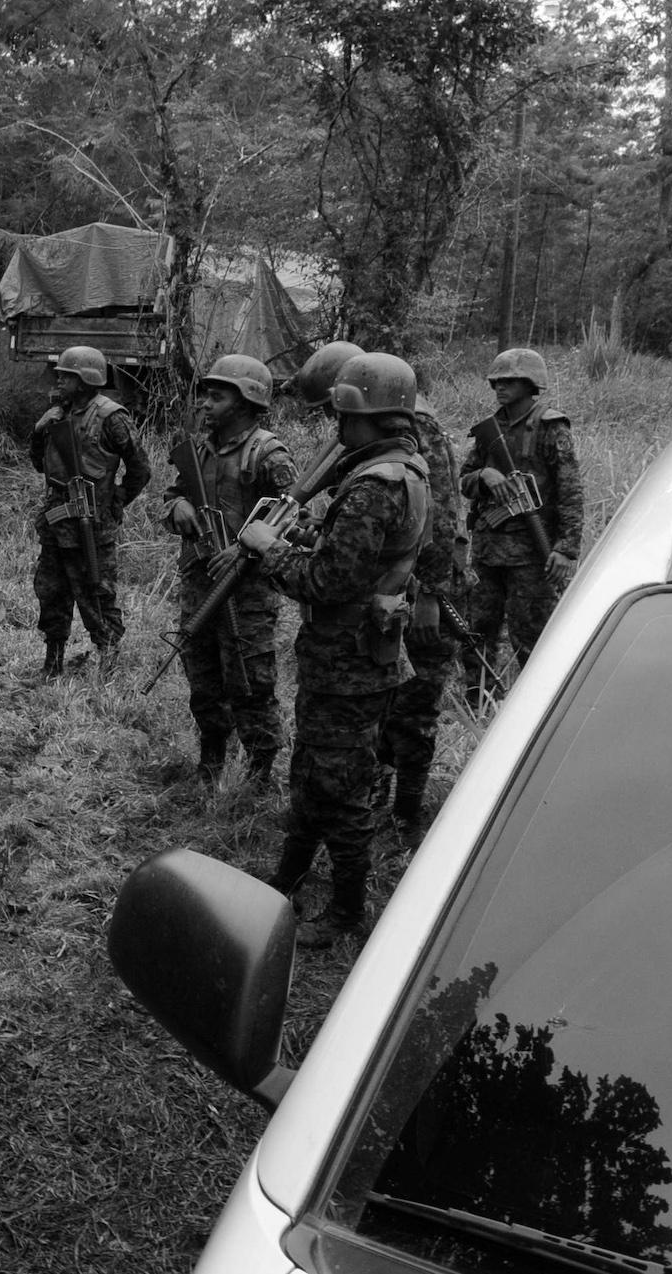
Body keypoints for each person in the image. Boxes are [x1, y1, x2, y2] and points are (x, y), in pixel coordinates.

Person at [235, 352, 429, 948]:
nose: (337, 427)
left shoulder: (375, 485)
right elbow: (355, 560)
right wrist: (313, 535)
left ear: (371, 418)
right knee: (315, 776)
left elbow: (326, 583)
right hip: (356, 656)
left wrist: (270, 547)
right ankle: (286, 881)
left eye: (345, 415)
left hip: (347, 663)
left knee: (341, 790)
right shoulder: (405, 468)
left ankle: (347, 911)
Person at [156, 354, 296, 784]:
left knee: (251, 681)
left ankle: (259, 770)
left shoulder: (268, 454)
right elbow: (171, 496)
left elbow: (295, 517)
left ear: (246, 402)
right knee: (202, 677)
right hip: (200, 581)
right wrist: (176, 506)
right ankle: (211, 759)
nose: (205, 405)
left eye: (216, 397)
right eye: (206, 396)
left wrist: (245, 550)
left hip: (247, 592)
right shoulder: (198, 450)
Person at [374, 364, 471, 852]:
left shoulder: (418, 425)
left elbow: (442, 509)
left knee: (415, 709)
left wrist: (431, 595)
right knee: (387, 704)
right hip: (397, 587)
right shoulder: (385, 421)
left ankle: (406, 816)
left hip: (426, 590)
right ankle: (377, 805)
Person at [460, 346, 584, 687]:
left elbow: (570, 492)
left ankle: (534, 704)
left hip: (531, 552)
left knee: (532, 634)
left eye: (511, 381)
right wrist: (484, 475)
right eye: (497, 381)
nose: (501, 387)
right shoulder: (489, 430)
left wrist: (565, 548)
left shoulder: (550, 427)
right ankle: (479, 695)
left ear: (531, 384)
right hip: (488, 548)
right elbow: (464, 481)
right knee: (478, 628)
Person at [29, 345, 151, 677]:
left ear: (85, 380)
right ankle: (52, 662)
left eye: (65, 376)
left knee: (97, 593)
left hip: (92, 526)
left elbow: (140, 468)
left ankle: (108, 662)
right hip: (57, 523)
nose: (58, 380)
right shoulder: (58, 413)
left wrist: (116, 502)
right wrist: (40, 430)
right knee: (51, 592)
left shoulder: (112, 417)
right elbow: (40, 464)